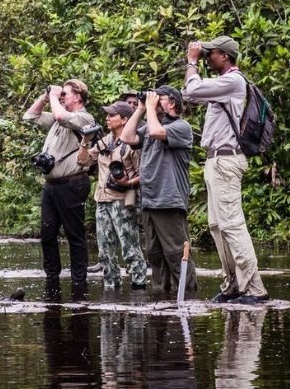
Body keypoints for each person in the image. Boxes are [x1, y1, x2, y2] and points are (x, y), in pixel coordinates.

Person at [184, 36, 269, 304]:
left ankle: (254, 288)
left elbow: (193, 89)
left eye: (212, 54)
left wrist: (192, 61)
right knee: (217, 226)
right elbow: (189, 92)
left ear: (225, 56)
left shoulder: (233, 80)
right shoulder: (222, 84)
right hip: (215, 160)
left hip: (227, 160)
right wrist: (193, 68)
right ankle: (233, 284)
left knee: (232, 224)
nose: (208, 58)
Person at [120, 86, 196, 297]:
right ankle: (161, 299)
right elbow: (127, 137)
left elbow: (156, 132)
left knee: (176, 254)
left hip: (169, 201)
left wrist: (151, 109)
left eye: (159, 98)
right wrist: (141, 108)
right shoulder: (152, 124)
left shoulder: (182, 127)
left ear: (172, 103)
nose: (154, 101)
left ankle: (187, 298)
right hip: (149, 201)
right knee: (154, 255)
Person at [23, 79, 96, 288]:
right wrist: (46, 97)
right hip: (52, 185)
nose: (61, 96)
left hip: (72, 184)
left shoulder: (84, 118)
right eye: (60, 94)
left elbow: (61, 116)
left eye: (65, 94)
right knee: (47, 233)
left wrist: (54, 98)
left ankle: (78, 281)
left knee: (74, 233)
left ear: (78, 96)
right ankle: (52, 277)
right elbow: (29, 116)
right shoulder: (57, 119)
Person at [77, 100, 147, 291]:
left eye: (111, 115)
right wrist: (85, 140)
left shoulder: (132, 143)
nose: (107, 119)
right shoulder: (104, 141)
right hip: (102, 200)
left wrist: (127, 183)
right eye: (107, 115)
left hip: (123, 201)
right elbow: (82, 162)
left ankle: (138, 286)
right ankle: (111, 286)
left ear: (124, 120)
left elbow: (145, 174)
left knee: (129, 247)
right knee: (105, 251)